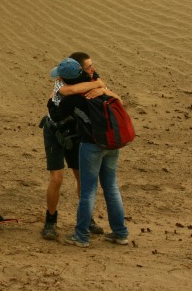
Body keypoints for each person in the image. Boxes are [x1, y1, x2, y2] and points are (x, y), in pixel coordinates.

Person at [48, 63, 129, 248]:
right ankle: (120, 233)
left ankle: (81, 235)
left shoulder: (72, 98)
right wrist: (100, 86)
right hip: (112, 143)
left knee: (88, 191)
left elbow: (56, 115)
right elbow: (118, 101)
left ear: (64, 79)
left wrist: (52, 98)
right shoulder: (98, 87)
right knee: (111, 187)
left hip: (91, 145)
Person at [40, 56, 106, 240]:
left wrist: (98, 86)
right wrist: (97, 86)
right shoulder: (62, 87)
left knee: (81, 176)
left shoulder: (83, 80)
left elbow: (99, 85)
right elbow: (73, 90)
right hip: (54, 132)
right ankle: (50, 221)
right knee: (57, 178)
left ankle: (87, 218)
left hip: (73, 134)